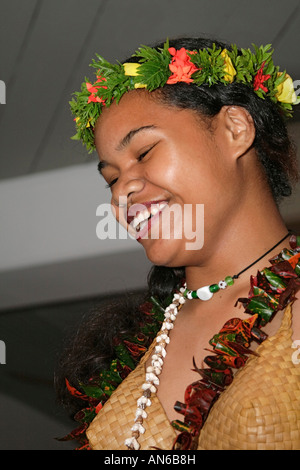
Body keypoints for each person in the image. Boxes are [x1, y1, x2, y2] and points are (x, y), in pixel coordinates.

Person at [55, 37, 300, 450]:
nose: (122, 192)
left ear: (235, 129)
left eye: (145, 151)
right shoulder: (137, 344)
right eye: (111, 179)